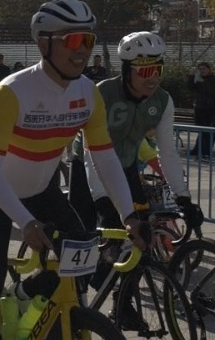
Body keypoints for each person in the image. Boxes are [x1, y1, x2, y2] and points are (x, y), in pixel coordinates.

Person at [0, 0, 140, 340]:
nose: (83, 50)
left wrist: (131, 213)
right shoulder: (12, 92)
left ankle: (26, 295)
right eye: (73, 40)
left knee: (82, 248)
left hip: (40, 189)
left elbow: (105, 158)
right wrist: (24, 222)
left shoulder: (87, 94)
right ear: (44, 43)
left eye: (89, 40)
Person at [84, 32, 207, 239]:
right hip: (88, 168)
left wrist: (183, 198)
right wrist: (102, 200)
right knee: (84, 240)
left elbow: (167, 152)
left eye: (158, 70)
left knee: (141, 234)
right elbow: (91, 153)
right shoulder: (102, 93)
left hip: (126, 166)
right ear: (126, 70)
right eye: (146, 71)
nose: (153, 78)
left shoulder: (162, 101)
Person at [189, 62, 215, 160]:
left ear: (209, 69)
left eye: (204, 69)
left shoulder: (213, 79)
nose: (202, 71)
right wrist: (191, 76)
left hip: (210, 109)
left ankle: (205, 152)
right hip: (200, 108)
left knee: (208, 131)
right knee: (201, 130)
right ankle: (198, 150)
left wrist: (202, 81)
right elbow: (190, 87)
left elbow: (212, 91)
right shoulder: (198, 79)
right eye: (200, 69)